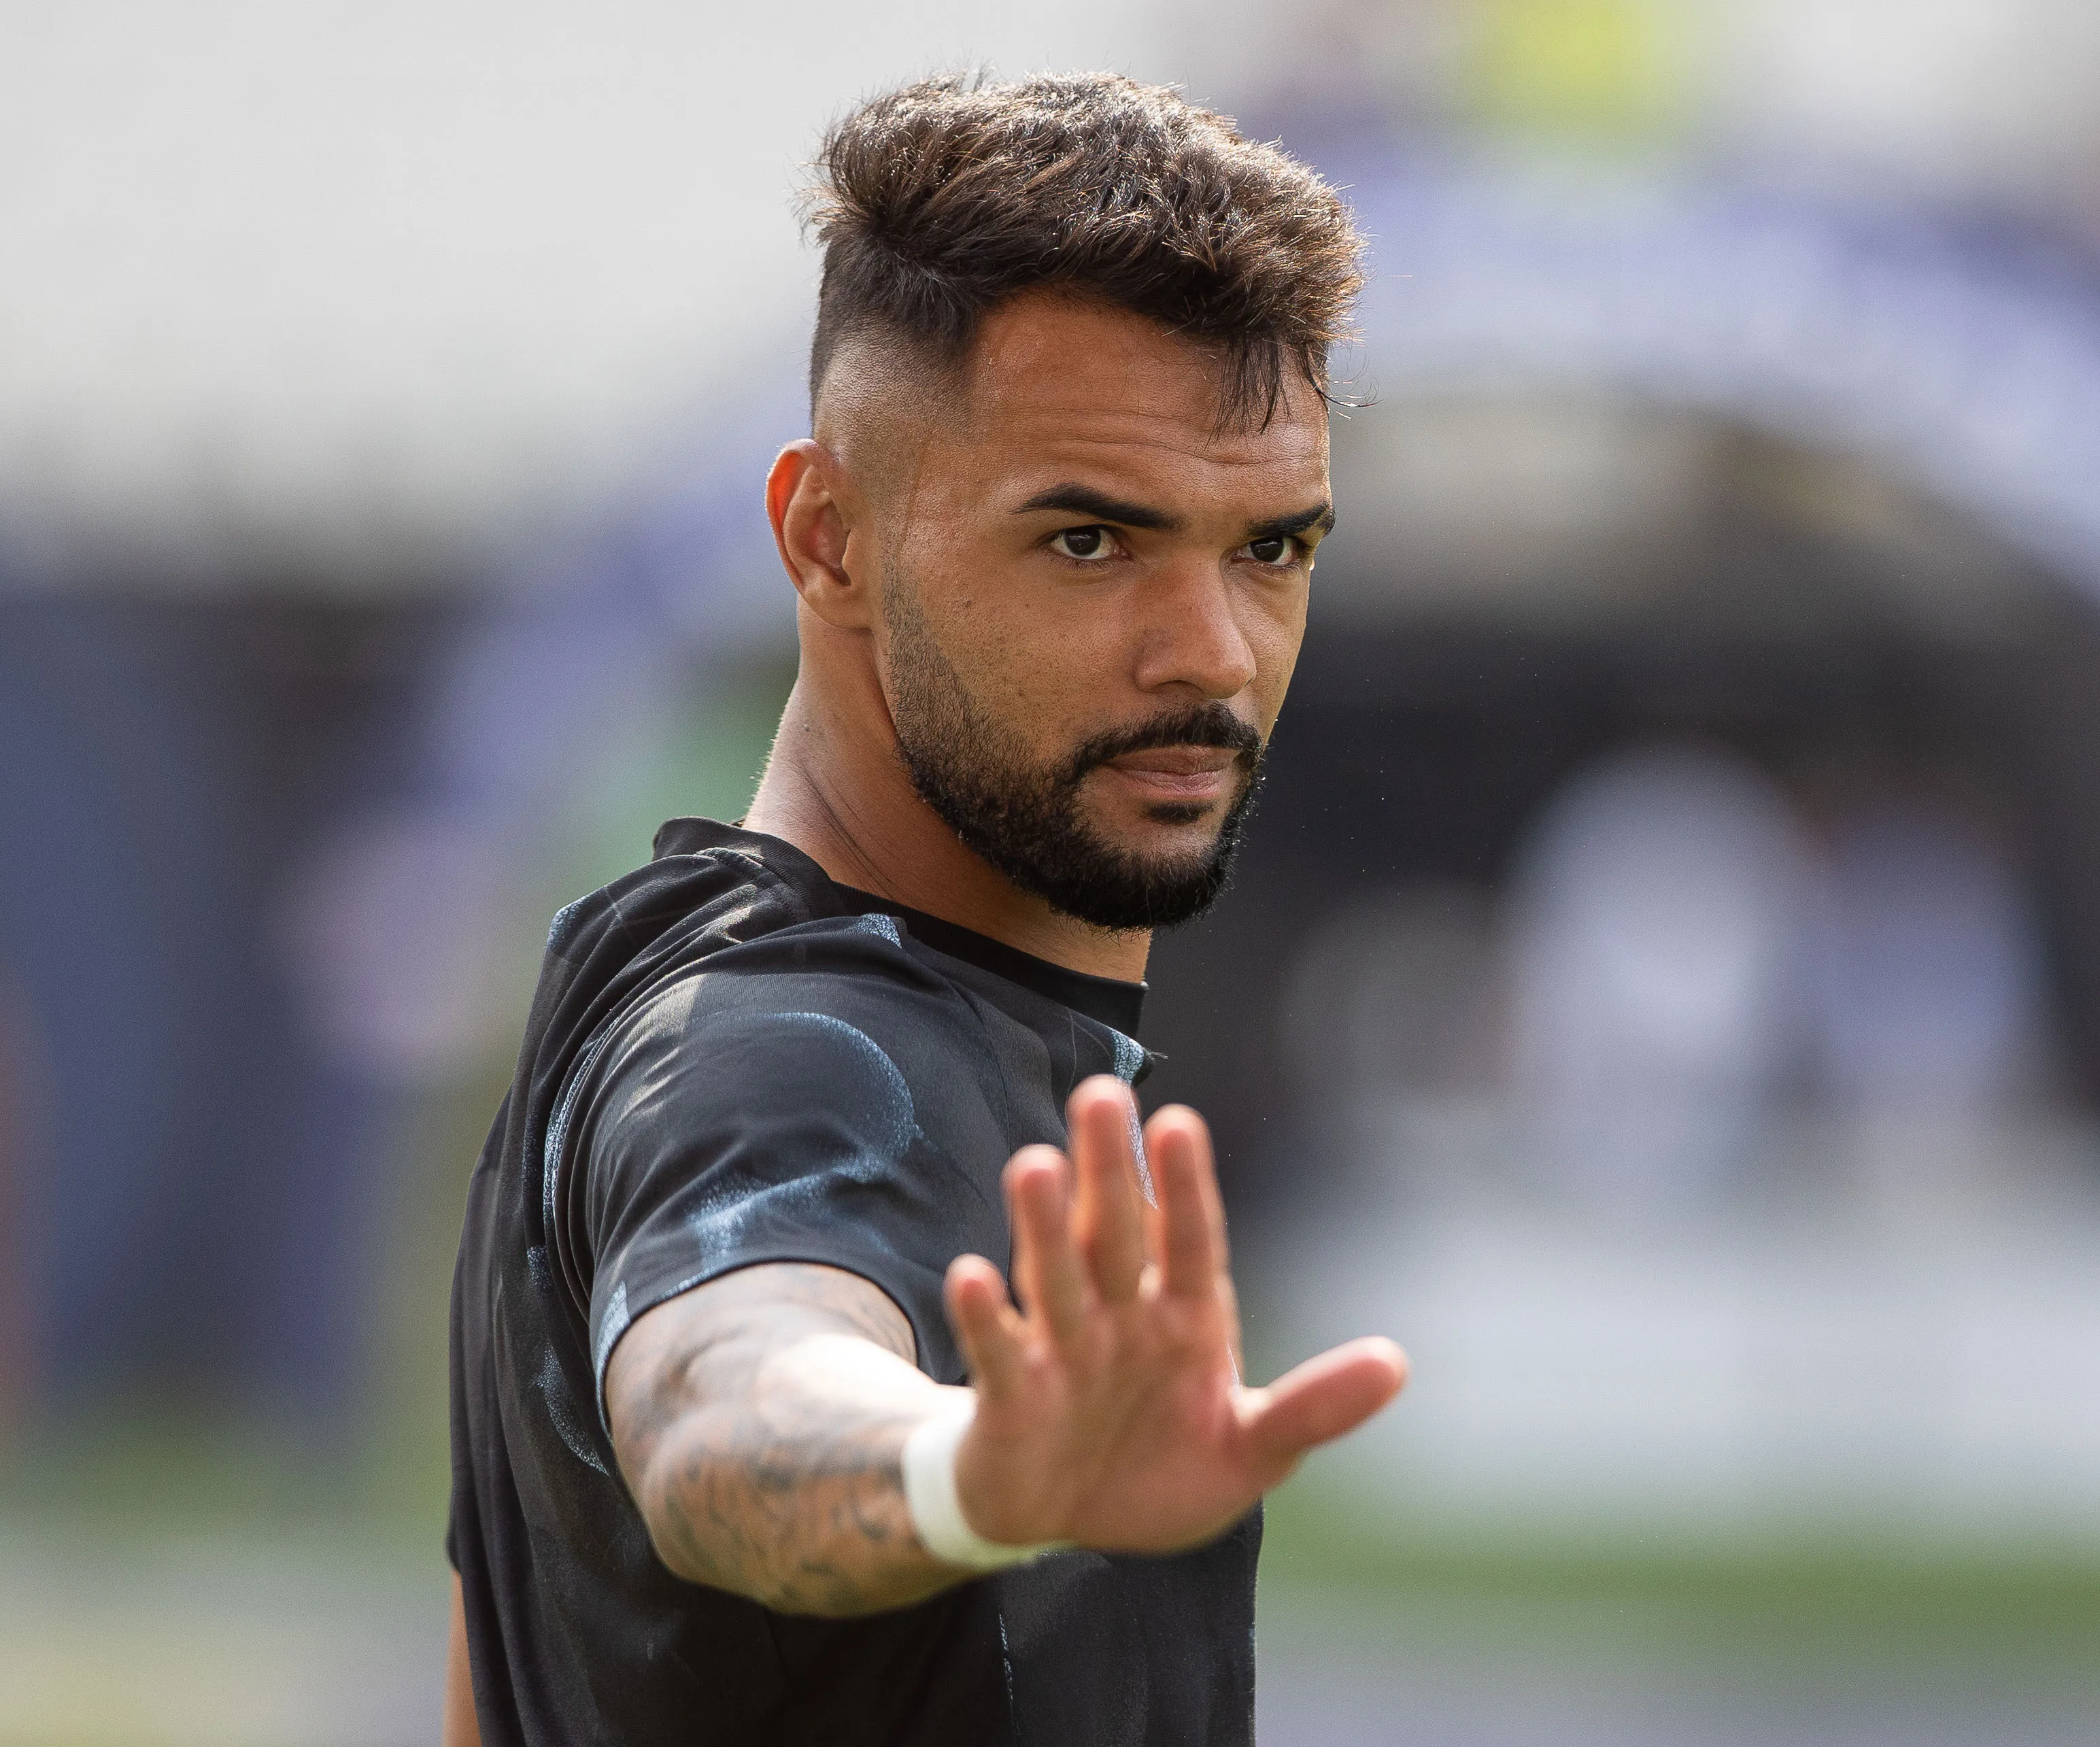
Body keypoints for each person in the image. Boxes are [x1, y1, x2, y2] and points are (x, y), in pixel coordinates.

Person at [441, 73, 1408, 1745]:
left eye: (1270, 548)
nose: (1216, 652)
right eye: (1092, 541)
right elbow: (725, 1403)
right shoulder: (792, 1051)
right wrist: (955, 1471)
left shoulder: (637, 964)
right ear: (830, 538)